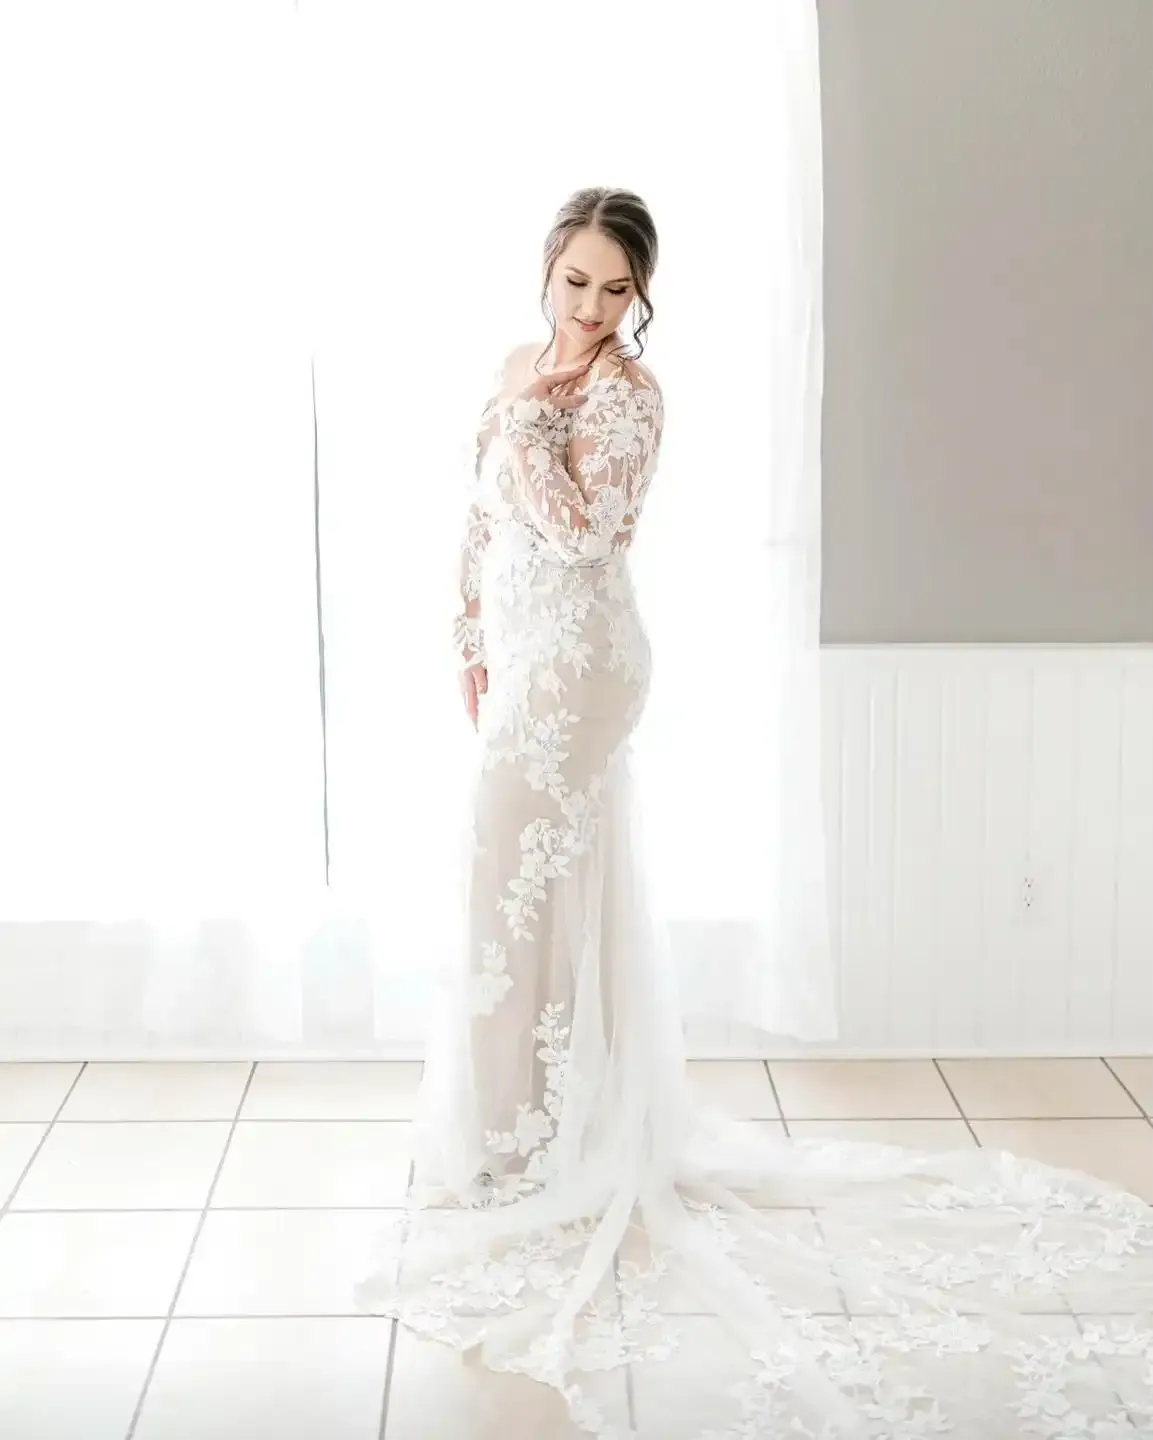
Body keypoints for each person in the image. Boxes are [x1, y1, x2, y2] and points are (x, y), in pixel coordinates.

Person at [358, 188, 1153, 1438]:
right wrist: (465, 633)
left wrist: (524, 435)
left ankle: (538, 1140)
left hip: (585, 660)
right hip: (517, 653)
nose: (591, 307)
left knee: (508, 878)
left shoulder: (629, 395)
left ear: (640, 297)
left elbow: (584, 531)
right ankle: (528, 1125)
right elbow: (477, 518)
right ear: (546, 270)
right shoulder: (515, 365)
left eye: (616, 289)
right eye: (575, 280)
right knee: (518, 884)